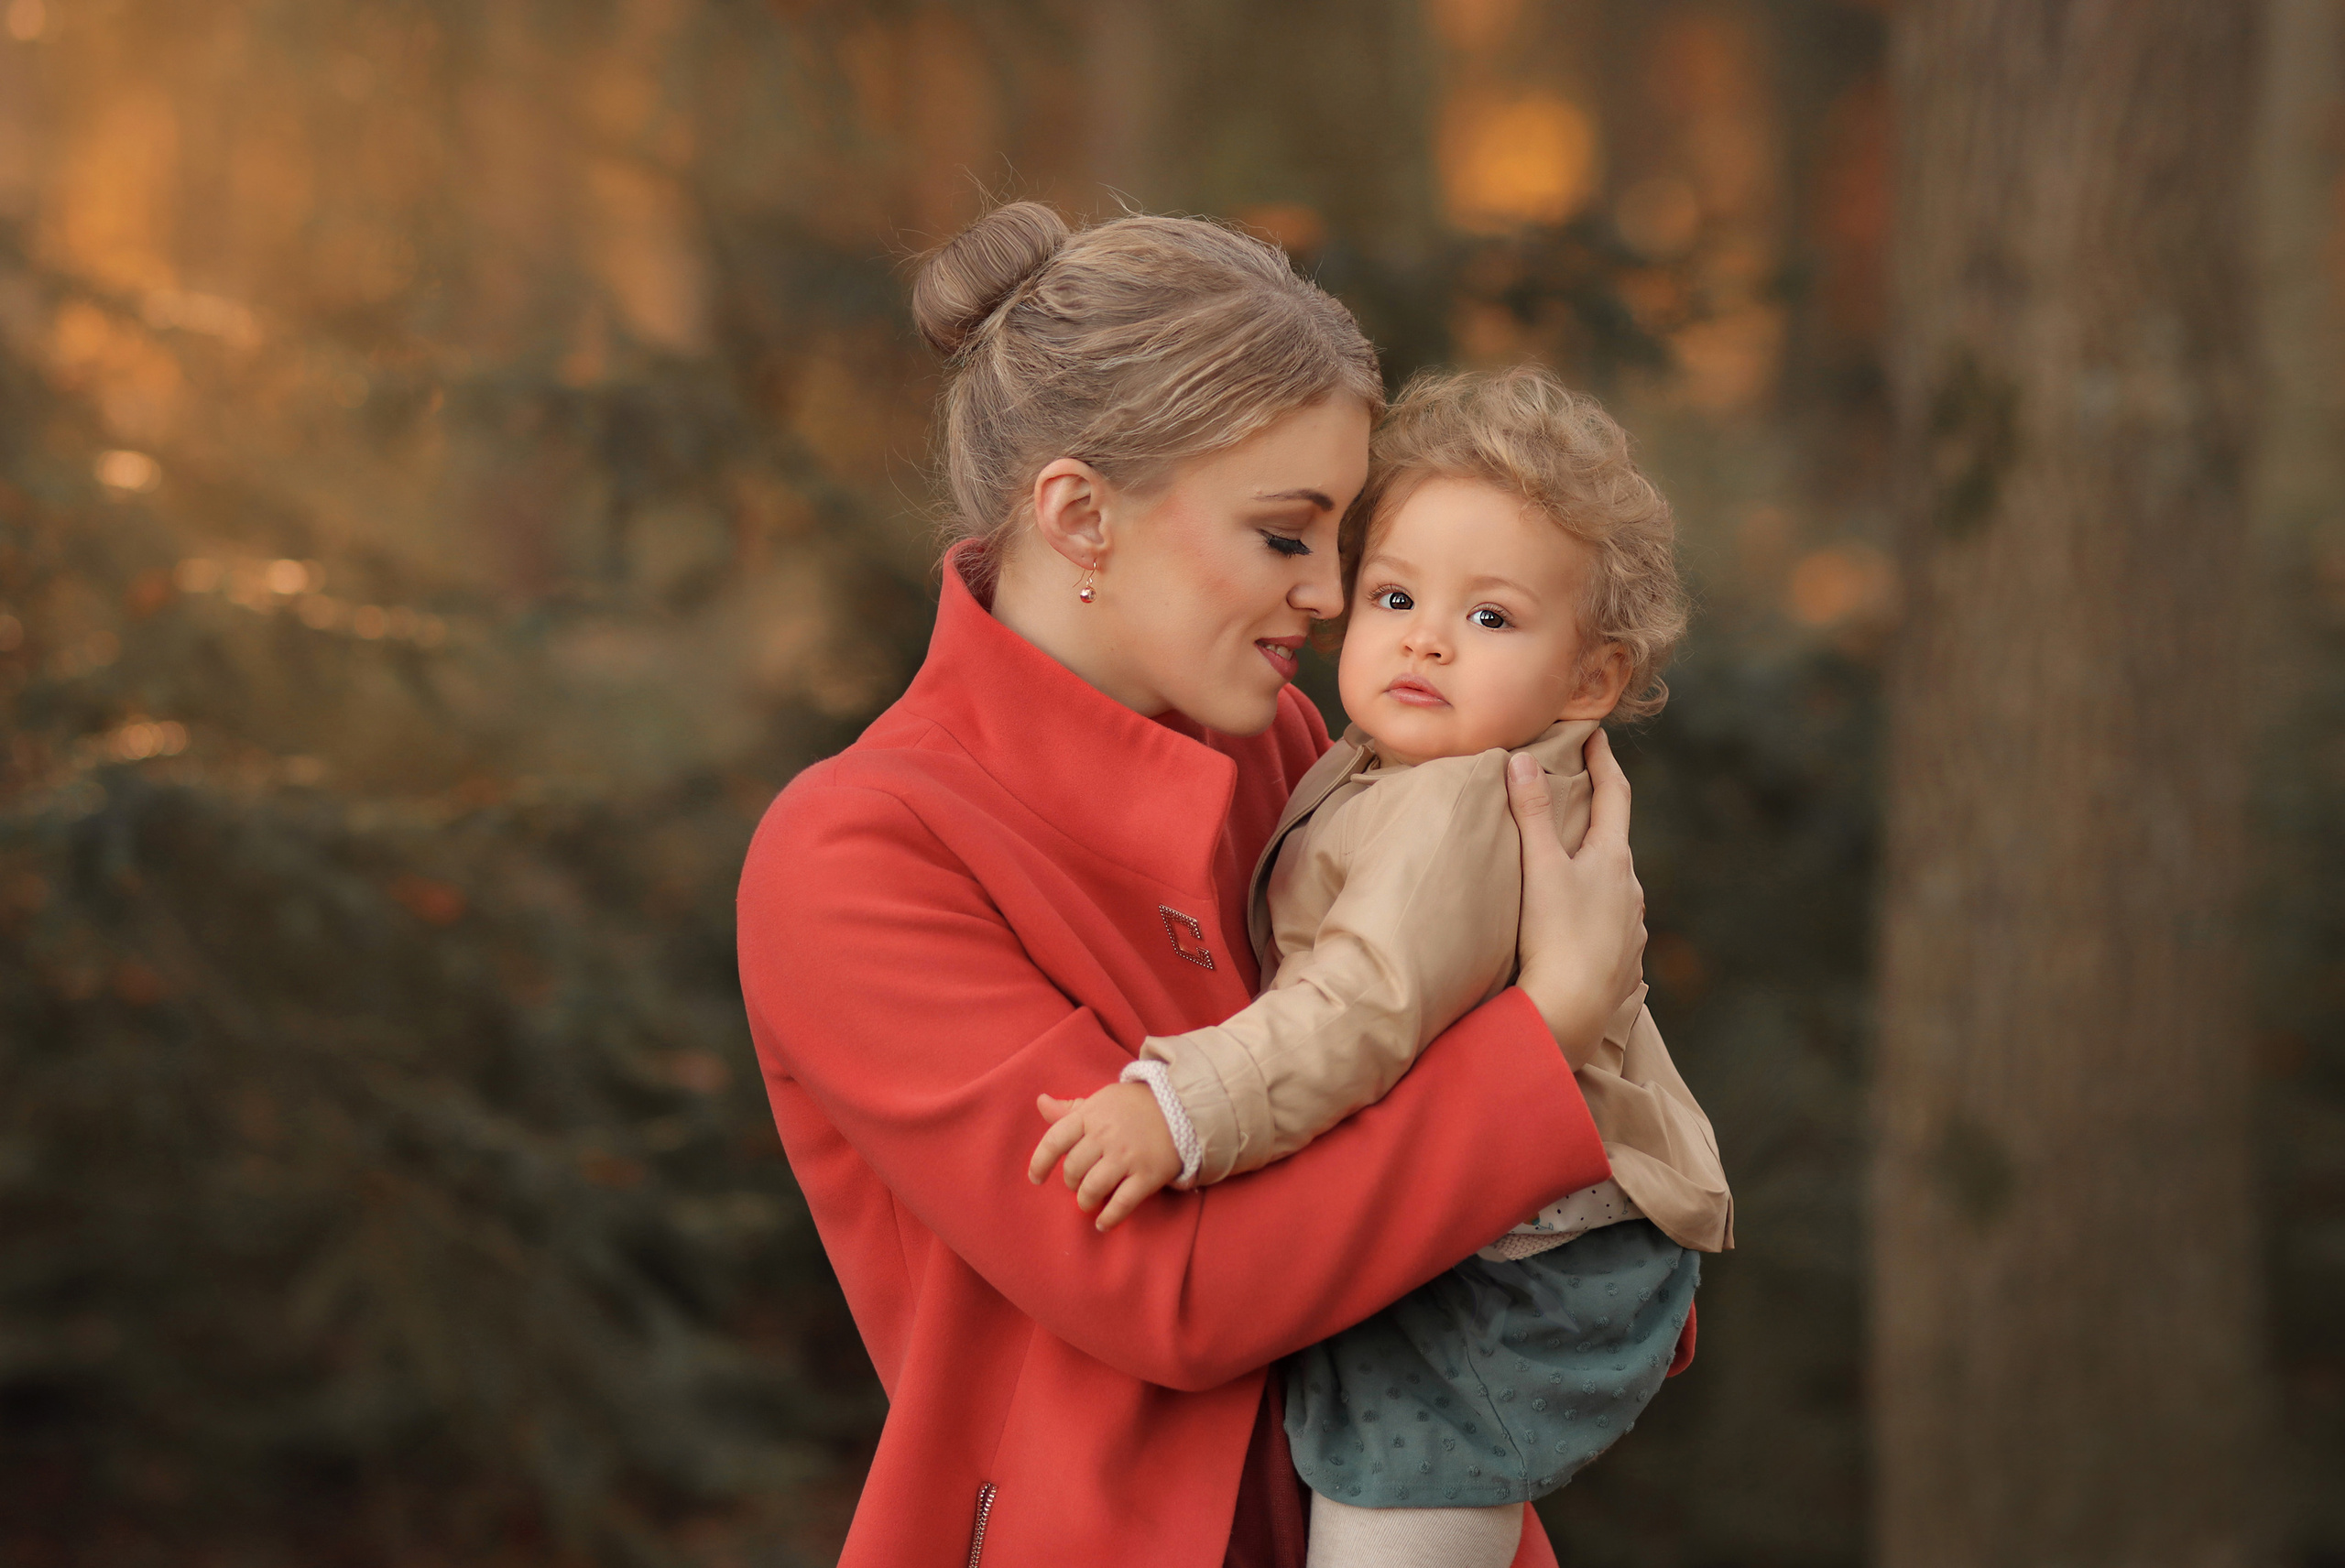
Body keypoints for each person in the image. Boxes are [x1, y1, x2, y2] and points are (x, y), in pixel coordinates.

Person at [736, 201, 1665, 1568]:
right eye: (1287, 537)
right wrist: (1549, 1030)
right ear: (1079, 514)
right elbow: (1164, 1294)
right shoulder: (858, 856)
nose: (1336, 596)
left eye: (1346, 537)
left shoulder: (1285, 747)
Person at [1028, 367, 1730, 1567]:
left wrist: (1179, 1107)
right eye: (1395, 592)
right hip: (1520, 1230)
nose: (1425, 638)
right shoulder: (1379, 765)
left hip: (1528, 1263)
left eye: (1492, 618)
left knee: (1389, 1514)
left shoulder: (1456, 805)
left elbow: (1356, 1008)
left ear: (1591, 680)